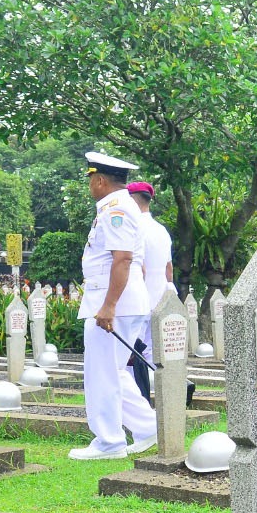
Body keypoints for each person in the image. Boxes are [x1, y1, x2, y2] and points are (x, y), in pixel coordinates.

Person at [69, 152, 157, 460]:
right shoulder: (124, 206)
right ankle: (149, 428)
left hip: (113, 301)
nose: (90, 186)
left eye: (91, 180)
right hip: (126, 299)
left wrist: (109, 306)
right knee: (115, 371)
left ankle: (108, 442)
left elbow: (122, 259)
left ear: (100, 180)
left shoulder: (115, 209)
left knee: (102, 373)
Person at [127, 180, 173, 361]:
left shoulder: (132, 227)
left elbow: (139, 268)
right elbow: (168, 269)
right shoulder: (161, 230)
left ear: (131, 200)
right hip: (160, 299)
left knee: (131, 357)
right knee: (153, 355)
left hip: (137, 301)